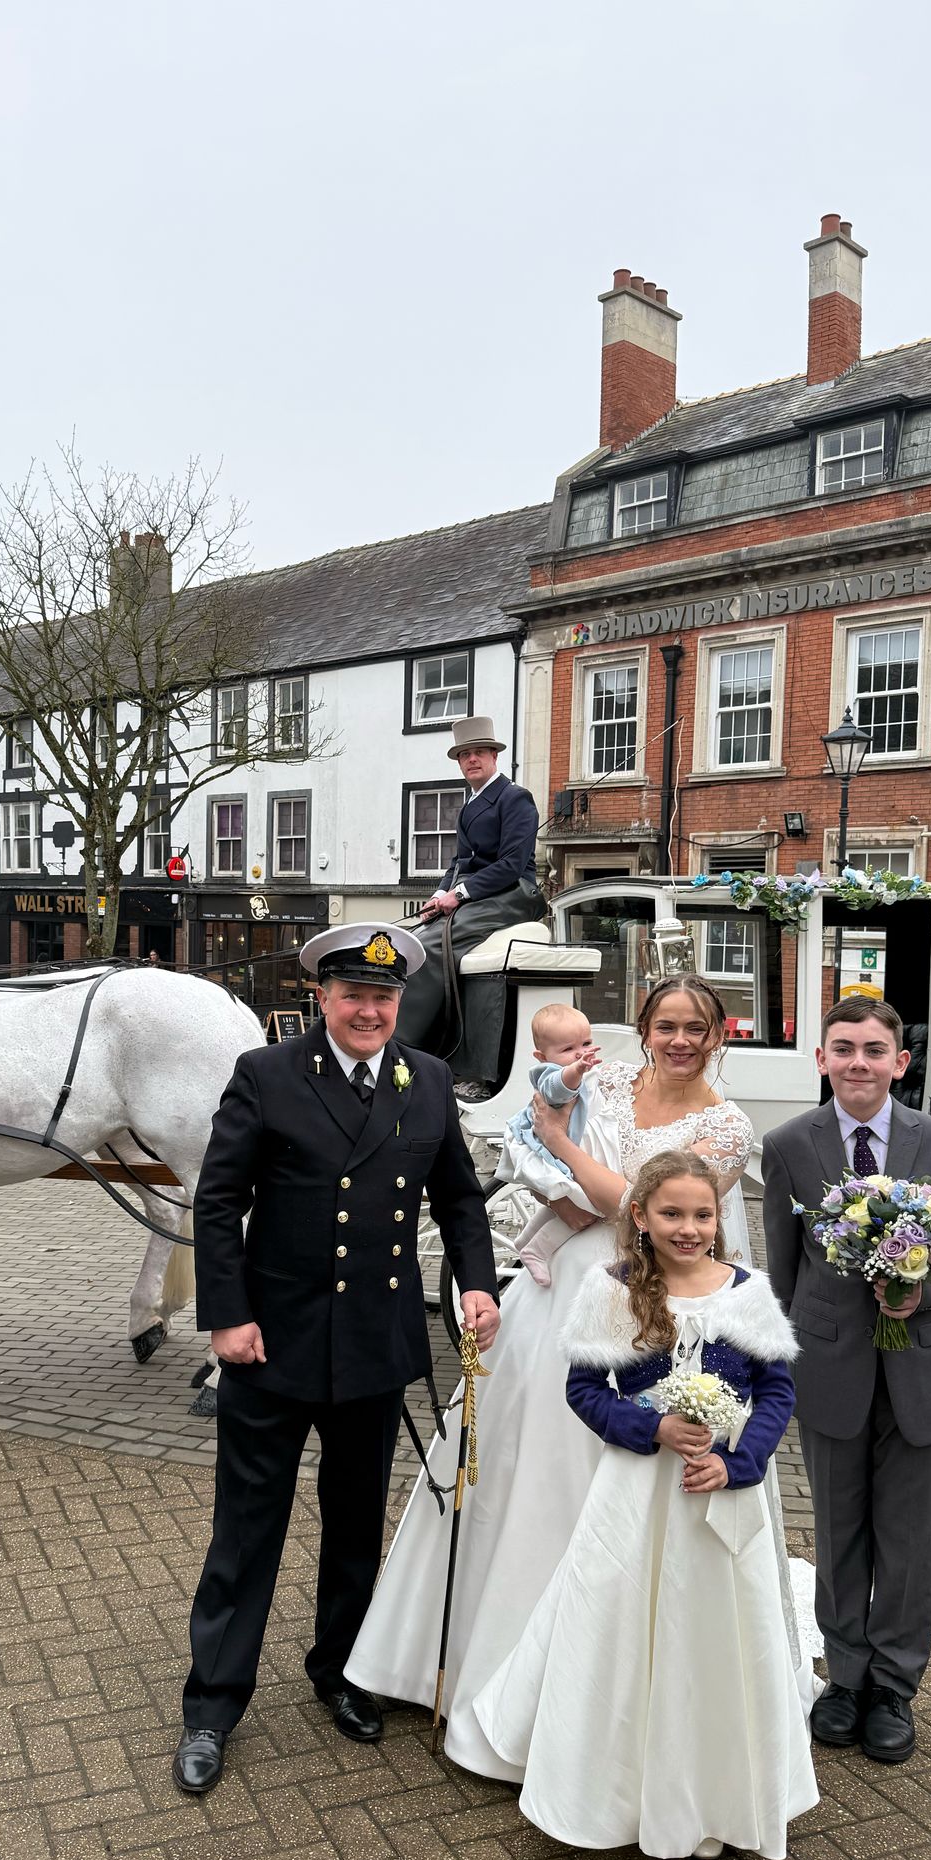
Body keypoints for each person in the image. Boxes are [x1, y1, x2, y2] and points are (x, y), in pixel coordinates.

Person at [347, 972, 814, 1778]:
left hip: (650, 1303)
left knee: (612, 1476)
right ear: (643, 1026)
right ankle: (455, 1657)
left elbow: (647, 1206)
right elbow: (528, 1132)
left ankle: (602, 1687)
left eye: (696, 1029)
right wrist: (553, 1171)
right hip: (560, 1286)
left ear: (717, 1037)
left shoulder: (729, 1126)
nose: (679, 1041)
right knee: (522, 1464)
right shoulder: (601, 1078)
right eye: (665, 1025)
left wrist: (564, 1151)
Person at [174, 922, 501, 1795]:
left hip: (372, 1345)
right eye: (353, 994)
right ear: (321, 997)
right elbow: (219, 1201)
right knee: (247, 1531)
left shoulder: (426, 1080)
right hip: (272, 1345)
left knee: (356, 1526)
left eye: (383, 997)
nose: (369, 1011)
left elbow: (459, 1197)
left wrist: (477, 1283)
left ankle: (342, 1671)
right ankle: (212, 1704)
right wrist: (226, 1317)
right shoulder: (268, 1075)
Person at [474, 1152, 819, 1859]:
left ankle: (714, 1791)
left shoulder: (746, 1292)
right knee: (623, 1611)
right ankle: (612, 1790)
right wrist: (651, 1427)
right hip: (639, 1488)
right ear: (640, 1216)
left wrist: (738, 1463)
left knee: (714, 1626)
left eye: (702, 1215)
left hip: (722, 1486)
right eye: (672, 1214)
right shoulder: (613, 1290)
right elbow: (584, 1391)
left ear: (719, 1220)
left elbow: (776, 1392)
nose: (689, 1228)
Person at [762, 995, 931, 1767]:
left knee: (909, 1541)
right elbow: (785, 1271)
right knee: (839, 1533)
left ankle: (894, 1687)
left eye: (873, 1050)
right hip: (832, 1369)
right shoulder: (788, 1145)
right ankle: (847, 1678)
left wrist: (921, 1289)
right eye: (843, 1048)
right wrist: (788, 1361)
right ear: (821, 1059)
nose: (857, 1062)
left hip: (921, 1370)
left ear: (901, 1062)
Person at [395, 715, 546, 1070]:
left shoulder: (515, 798)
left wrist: (460, 894)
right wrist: (439, 894)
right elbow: (459, 861)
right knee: (412, 937)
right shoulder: (469, 805)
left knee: (434, 946)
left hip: (513, 894)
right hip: (479, 894)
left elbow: (511, 865)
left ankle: (407, 1043)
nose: (472, 759)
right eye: (465, 755)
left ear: (494, 756)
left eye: (479, 752)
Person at [497, 1003, 602, 1287]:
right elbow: (558, 1089)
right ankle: (537, 1250)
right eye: (568, 1048)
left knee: (565, 1201)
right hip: (546, 1151)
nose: (580, 1053)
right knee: (588, 1207)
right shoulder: (551, 1074)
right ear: (542, 1057)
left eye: (586, 1044)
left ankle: (525, 1238)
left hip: (557, 1147)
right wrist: (577, 1070)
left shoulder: (578, 1071)